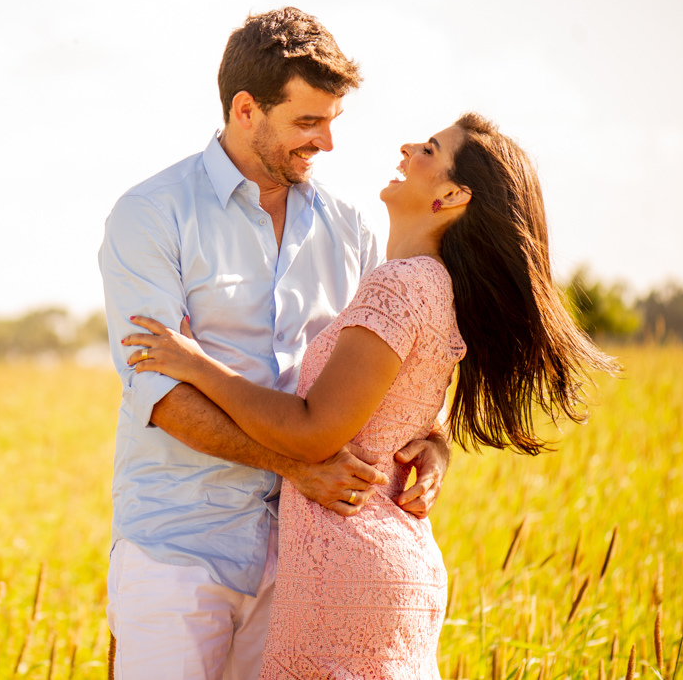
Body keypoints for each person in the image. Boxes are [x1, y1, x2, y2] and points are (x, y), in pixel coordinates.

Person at [123, 113, 619, 678]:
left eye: (430, 149)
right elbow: (411, 410)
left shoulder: (399, 285)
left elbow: (315, 430)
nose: (408, 148)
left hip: (350, 557)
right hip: (391, 556)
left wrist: (197, 364)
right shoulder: (434, 286)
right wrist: (439, 445)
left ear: (453, 195)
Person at [98, 7, 453, 679]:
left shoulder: (350, 228)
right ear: (244, 110)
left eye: (331, 122)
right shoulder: (152, 214)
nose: (325, 143)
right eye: (307, 122)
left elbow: (377, 370)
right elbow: (163, 396)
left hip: (304, 560)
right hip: (178, 551)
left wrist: (435, 440)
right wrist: (295, 464)